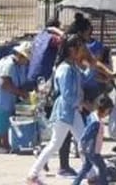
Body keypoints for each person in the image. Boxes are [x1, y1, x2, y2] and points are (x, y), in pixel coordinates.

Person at [28, 35, 88, 184]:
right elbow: (67, 94)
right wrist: (81, 103)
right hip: (64, 112)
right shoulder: (65, 69)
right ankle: (33, 174)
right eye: (79, 47)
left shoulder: (73, 67)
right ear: (71, 49)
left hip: (73, 111)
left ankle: (92, 174)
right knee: (55, 144)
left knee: (84, 141)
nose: (82, 50)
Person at [73, 95, 113, 185]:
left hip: (88, 149)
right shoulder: (96, 122)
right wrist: (82, 145)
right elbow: (86, 135)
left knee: (86, 167)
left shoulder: (92, 115)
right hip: (92, 151)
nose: (108, 113)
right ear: (105, 109)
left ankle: (75, 183)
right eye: (108, 111)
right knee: (102, 167)